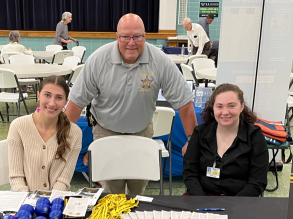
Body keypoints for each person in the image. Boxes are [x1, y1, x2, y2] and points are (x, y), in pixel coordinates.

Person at [65, 13, 197, 195]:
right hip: (106, 133)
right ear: (117, 37)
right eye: (125, 37)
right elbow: (75, 103)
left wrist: (191, 140)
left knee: (137, 191)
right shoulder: (98, 60)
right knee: (112, 192)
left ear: (145, 36)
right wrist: (62, 139)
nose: (131, 42)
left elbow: (184, 102)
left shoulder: (159, 61)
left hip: (141, 134)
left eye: (137, 36)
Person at [183, 83, 268, 196]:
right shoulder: (200, 133)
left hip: (240, 201)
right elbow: (190, 174)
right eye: (219, 106)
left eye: (231, 106)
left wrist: (233, 207)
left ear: (241, 107)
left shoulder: (254, 136)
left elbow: (257, 181)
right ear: (213, 108)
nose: (225, 112)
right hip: (202, 197)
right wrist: (202, 203)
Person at [8, 76, 82, 192]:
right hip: (21, 197)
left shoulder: (75, 133)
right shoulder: (18, 126)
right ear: (38, 95)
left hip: (56, 198)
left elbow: (64, 180)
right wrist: (28, 203)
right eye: (47, 95)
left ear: (66, 102)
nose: (52, 103)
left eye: (59, 97)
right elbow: (16, 177)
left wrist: (51, 203)